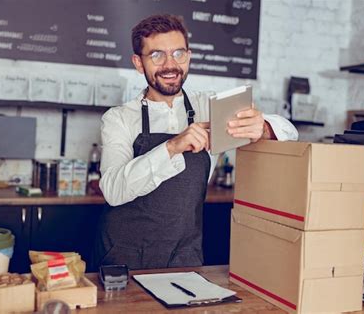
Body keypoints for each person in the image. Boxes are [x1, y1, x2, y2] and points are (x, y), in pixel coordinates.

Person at [94, 14, 298, 270]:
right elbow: (113, 191)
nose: (170, 65)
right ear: (138, 62)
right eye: (157, 55)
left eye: (178, 53)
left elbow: (289, 131)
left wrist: (263, 127)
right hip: (124, 255)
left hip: (184, 255)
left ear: (188, 56)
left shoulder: (209, 108)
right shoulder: (119, 118)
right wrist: (171, 147)